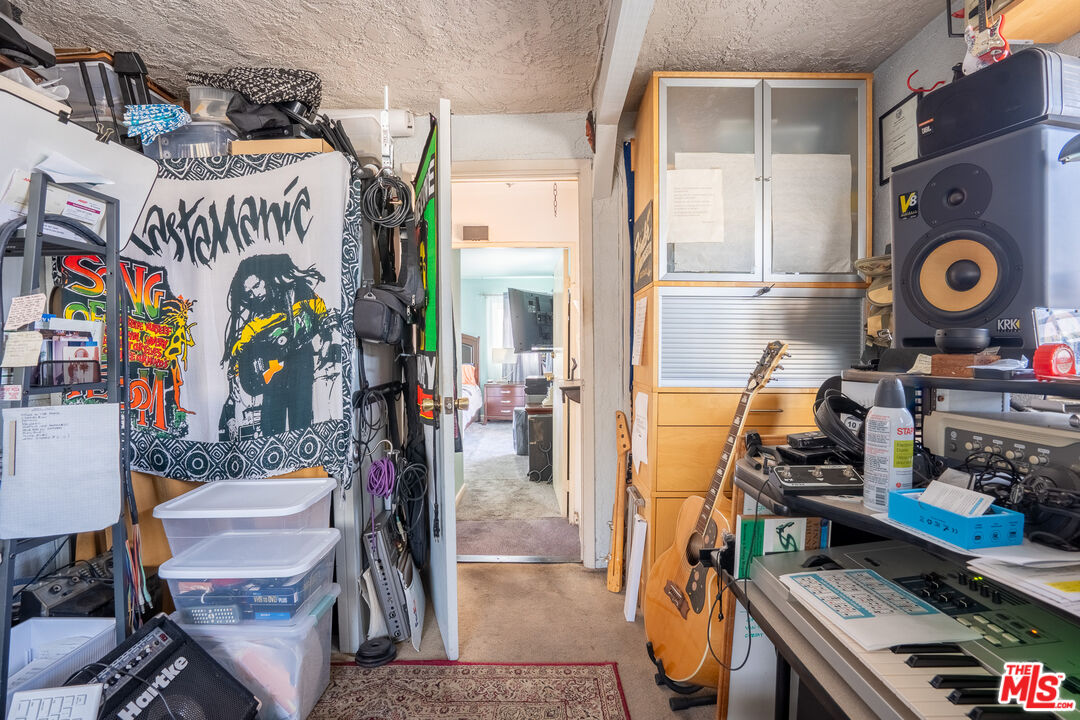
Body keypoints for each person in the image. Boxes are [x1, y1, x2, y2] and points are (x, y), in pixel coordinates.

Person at [219, 254, 337, 439]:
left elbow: (321, 312)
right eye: (249, 292)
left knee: (301, 425)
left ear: (266, 278)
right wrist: (236, 376)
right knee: (271, 430)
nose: (255, 294)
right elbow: (239, 350)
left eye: (257, 286)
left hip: (301, 368)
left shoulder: (298, 293)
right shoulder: (255, 321)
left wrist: (327, 340)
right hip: (272, 378)